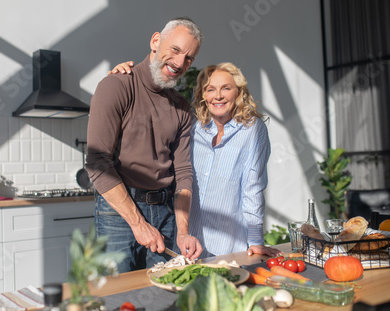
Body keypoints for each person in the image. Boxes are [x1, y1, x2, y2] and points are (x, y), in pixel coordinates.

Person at [110, 61, 282, 258]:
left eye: (226, 88)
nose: (218, 96)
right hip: (186, 243)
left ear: (238, 92)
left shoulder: (253, 130)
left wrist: (256, 241)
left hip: (228, 244)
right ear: (202, 96)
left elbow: (253, 188)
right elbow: (150, 122)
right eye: (210, 89)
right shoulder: (192, 127)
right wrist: (121, 78)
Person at [85, 17, 204, 273]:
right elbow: (97, 163)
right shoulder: (116, 86)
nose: (180, 63)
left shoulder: (181, 107)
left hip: (166, 212)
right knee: (119, 295)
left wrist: (183, 231)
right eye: (175, 50)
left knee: (164, 295)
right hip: (119, 213)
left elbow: (183, 173)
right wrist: (138, 223)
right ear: (155, 41)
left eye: (189, 58)